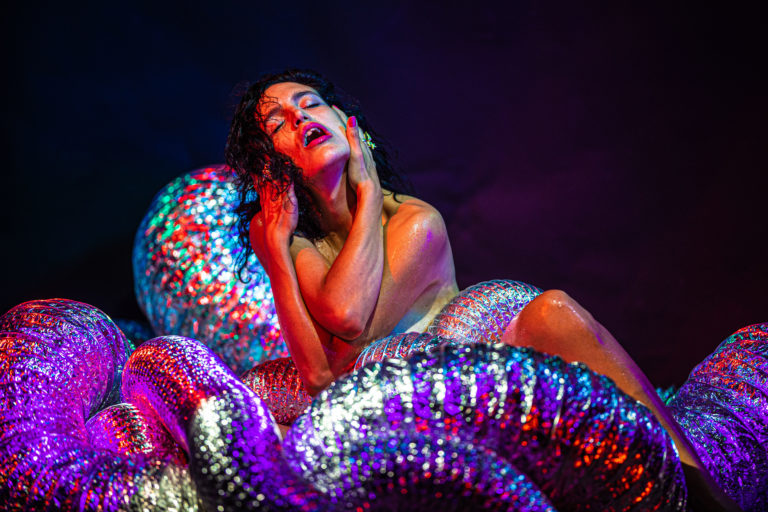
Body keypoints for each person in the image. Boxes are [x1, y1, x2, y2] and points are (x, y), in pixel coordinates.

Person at [226, 69, 739, 510]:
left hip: (486, 402)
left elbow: (345, 324)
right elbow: (319, 378)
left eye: (310, 104)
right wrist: (274, 254)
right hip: (405, 444)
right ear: (271, 166)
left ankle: (700, 491)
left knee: (553, 312)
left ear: (348, 126)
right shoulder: (301, 246)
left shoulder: (415, 223)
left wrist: (369, 191)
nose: (299, 117)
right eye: (278, 123)